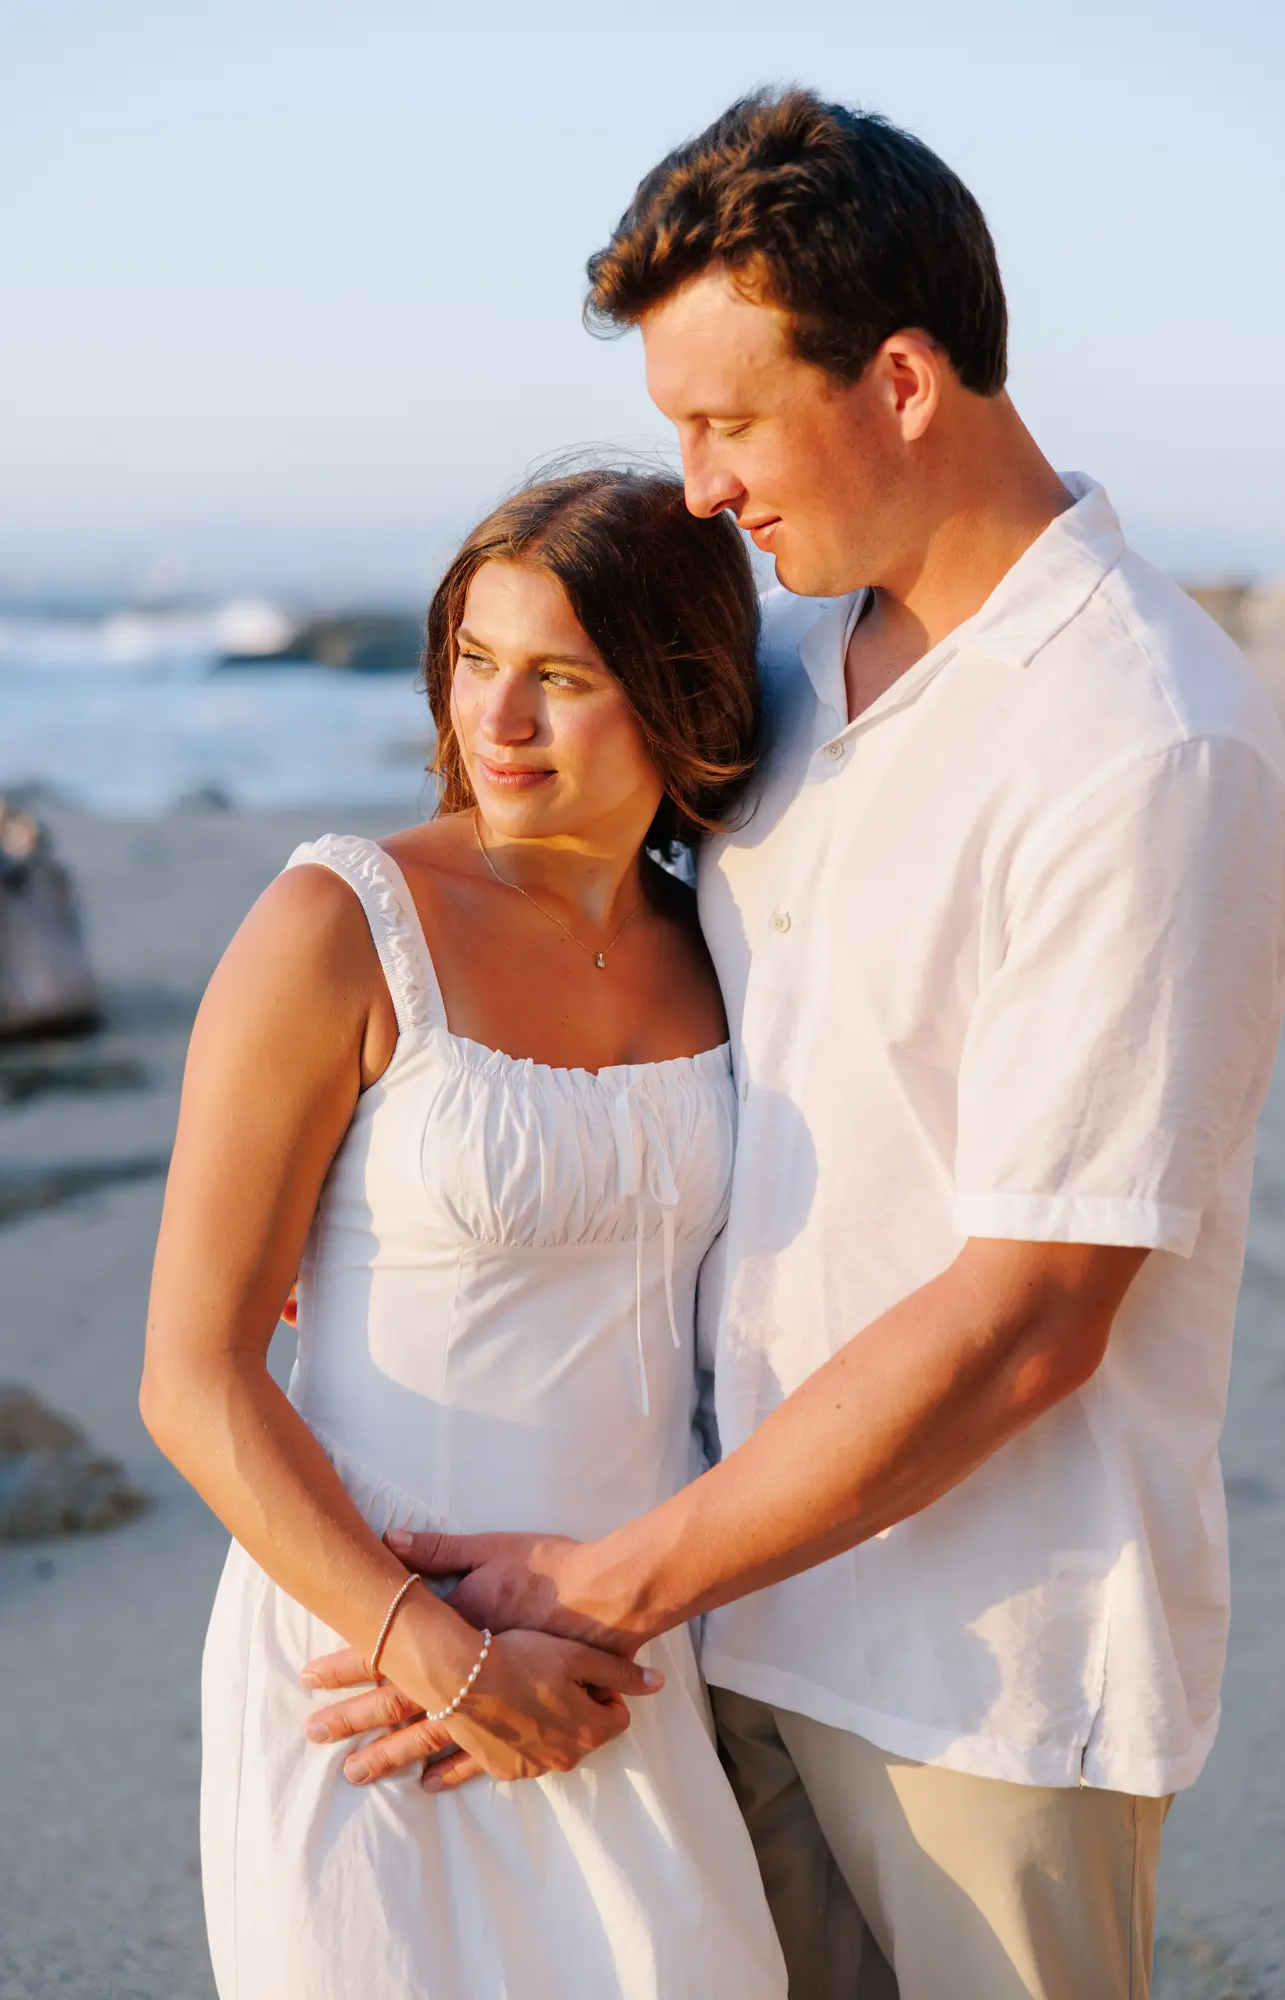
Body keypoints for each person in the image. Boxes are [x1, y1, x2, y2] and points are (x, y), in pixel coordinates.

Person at [305, 90, 1285, 1999]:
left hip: (983, 1683)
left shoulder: (1143, 736)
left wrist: (599, 1581)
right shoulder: (790, 665)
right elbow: (549, 825)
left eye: (727, 421)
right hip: (725, 1636)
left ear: (902, 381)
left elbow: (1030, 1315)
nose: (691, 483)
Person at [140, 468, 788, 2000]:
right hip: (364, 1677)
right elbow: (192, 1373)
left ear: (681, 697)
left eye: (560, 678)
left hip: (628, 1649)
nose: (496, 720)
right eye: (476, 659)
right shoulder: (335, 927)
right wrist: (429, 1654)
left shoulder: (728, 947)